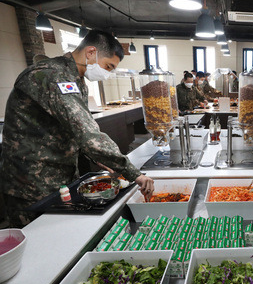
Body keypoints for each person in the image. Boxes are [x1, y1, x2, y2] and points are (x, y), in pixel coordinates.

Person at [0, 30, 155, 228]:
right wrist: (134, 173)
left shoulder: (76, 79)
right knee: (37, 241)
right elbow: (87, 133)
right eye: (108, 66)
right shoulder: (54, 76)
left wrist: (103, 160)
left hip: (58, 176)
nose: (107, 74)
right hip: (31, 182)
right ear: (91, 52)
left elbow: (73, 131)